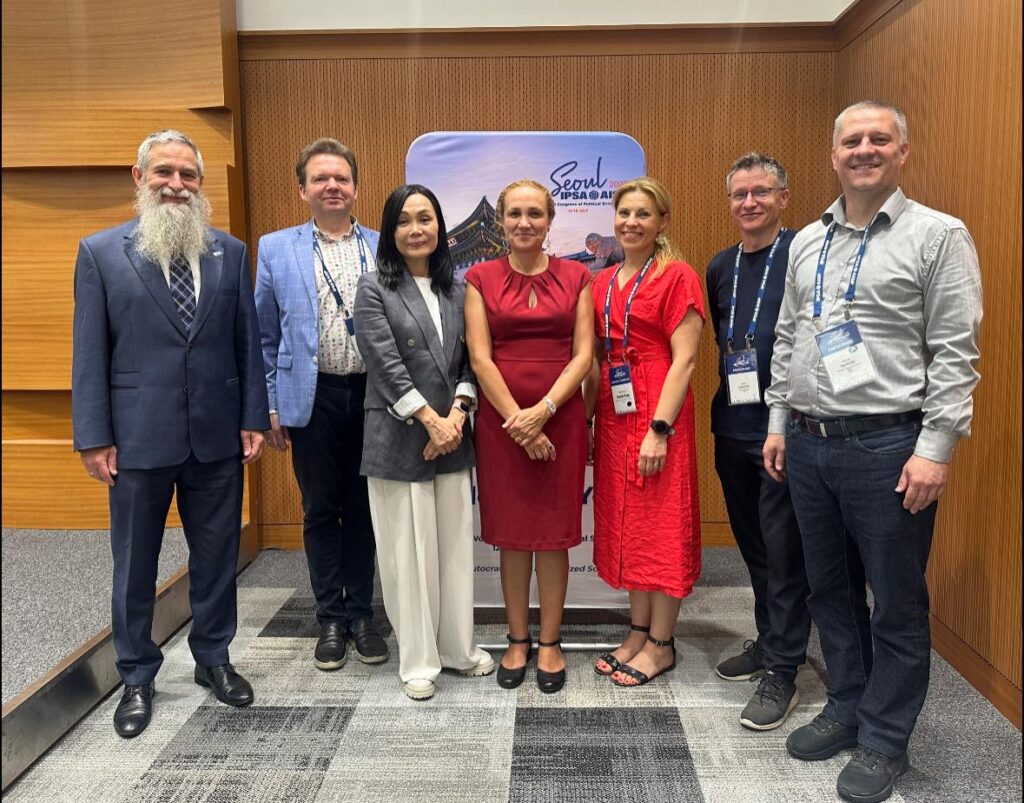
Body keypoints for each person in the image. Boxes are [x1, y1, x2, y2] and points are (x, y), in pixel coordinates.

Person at [763, 100, 982, 803]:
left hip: (890, 445)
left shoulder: (938, 235)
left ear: (902, 151)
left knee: (895, 600)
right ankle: (848, 704)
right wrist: (777, 421)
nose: (864, 149)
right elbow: (790, 336)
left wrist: (935, 448)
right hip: (808, 441)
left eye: (878, 139)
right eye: (851, 140)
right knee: (829, 589)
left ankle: (886, 738)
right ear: (833, 156)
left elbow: (956, 353)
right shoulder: (807, 241)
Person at [71, 129, 269, 738]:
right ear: (140, 178)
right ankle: (136, 674)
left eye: (188, 174)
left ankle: (214, 658)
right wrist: (93, 436)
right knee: (135, 562)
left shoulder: (230, 252)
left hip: (216, 436)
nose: (176, 184)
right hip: (136, 439)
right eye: (164, 172)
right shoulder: (100, 253)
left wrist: (252, 418)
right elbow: (89, 352)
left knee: (217, 556)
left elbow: (246, 343)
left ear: (200, 184)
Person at [353, 185, 494, 700]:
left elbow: (470, 364)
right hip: (399, 436)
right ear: (391, 231)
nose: (416, 229)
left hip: (451, 437)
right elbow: (384, 364)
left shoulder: (458, 289)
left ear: (440, 227)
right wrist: (430, 421)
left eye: (426, 219)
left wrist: (455, 416)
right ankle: (417, 661)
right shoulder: (373, 287)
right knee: (407, 557)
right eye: (405, 221)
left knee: (453, 550)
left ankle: (457, 649)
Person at [254, 138, 388, 672]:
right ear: (303, 189)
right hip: (310, 397)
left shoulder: (383, 246)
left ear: (355, 187)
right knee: (319, 509)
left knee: (364, 508)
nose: (332, 186)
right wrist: (268, 405)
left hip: (374, 397)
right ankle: (330, 616)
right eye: (320, 178)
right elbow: (265, 336)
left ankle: (363, 615)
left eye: (341, 178)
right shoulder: (275, 248)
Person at [464, 179, 594, 693]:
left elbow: (583, 355)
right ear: (501, 220)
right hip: (502, 424)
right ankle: (517, 639)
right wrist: (519, 422)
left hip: (560, 418)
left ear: (549, 219)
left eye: (535, 213)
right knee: (513, 538)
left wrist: (543, 412)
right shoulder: (479, 277)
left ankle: (551, 642)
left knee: (554, 536)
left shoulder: (578, 275)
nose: (524, 222)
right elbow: (480, 358)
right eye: (515, 213)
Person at [705, 153, 810, 730]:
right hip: (733, 425)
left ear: (783, 198)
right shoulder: (721, 266)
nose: (750, 202)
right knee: (753, 546)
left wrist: (785, 421)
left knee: (784, 550)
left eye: (762, 192)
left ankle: (785, 670)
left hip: (783, 430)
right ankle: (771, 642)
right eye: (740, 194)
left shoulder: (803, 252)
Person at [586, 177, 704, 687]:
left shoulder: (677, 276)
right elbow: (595, 360)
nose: (631, 222)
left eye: (643, 214)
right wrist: (588, 422)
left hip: (659, 409)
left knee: (661, 523)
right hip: (616, 414)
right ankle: (638, 631)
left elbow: (686, 360)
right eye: (624, 213)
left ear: (662, 223)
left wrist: (660, 429)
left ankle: (662, 643)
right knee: (628, 526)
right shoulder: (601, 282)